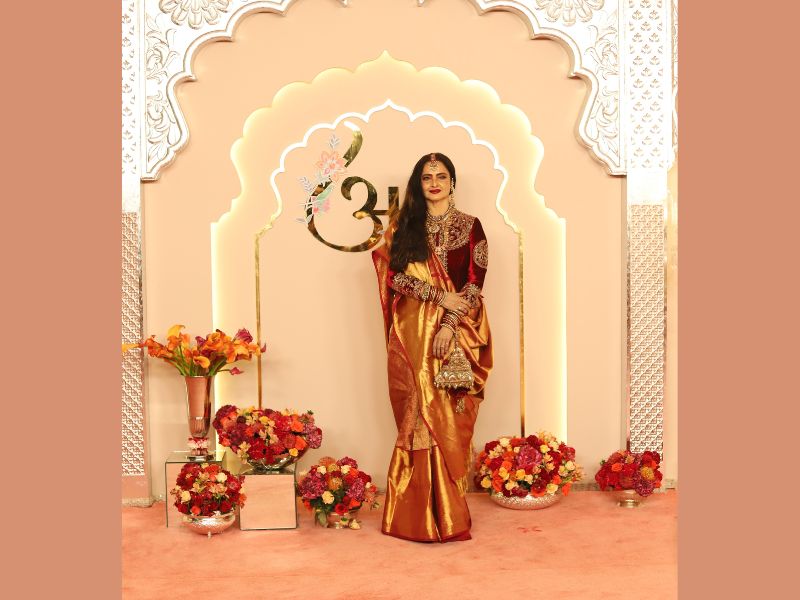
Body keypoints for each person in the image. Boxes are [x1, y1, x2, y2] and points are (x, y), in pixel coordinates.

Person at [372, 152, 493, 542]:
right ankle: (415, 515)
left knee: (448, 415)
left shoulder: (471, 226)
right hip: (413, 335)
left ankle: (449, 513)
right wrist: (438, 296)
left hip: (457, 333)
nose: (435, 183)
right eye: (427, 177)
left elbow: (474, 286)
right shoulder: (404, 226)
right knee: (417, 413)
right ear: (418, 184)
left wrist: (449, 325)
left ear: (452, 182)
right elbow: (394, 277)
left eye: (441, 176)